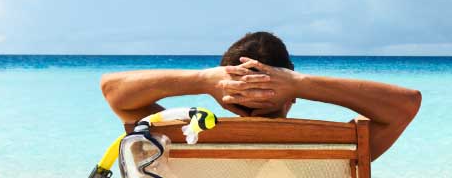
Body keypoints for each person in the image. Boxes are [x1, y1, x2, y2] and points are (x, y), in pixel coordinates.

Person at [99, 32, 421, 159]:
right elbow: (406, 105)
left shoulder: (181, 146)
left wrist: (204, 79)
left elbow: (114, 92)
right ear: (290, 98)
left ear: (221, 96)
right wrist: (299, 83)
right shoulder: (334, 149)